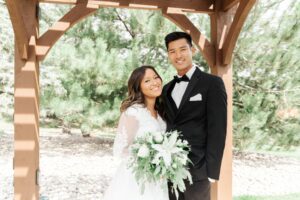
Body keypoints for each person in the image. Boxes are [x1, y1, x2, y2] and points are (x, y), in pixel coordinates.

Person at [162, 32, 227, 200]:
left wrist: (211, 171)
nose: (178, 55)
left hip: (199, 170)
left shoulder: (212, 83)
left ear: (193, 50)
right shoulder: (166, 88)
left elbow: (218, 129)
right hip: (170, 169)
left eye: (183, 49)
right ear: (168, 54)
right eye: (172, 51)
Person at [103, 66, 169, 200]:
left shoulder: (161, 112)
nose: (154, 82)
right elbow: (121, 149)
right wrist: (148, 159)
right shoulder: (133, 113)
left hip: (158, 177)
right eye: (147, 81)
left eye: (156, 77)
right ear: (138, 87)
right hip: (136, 178)